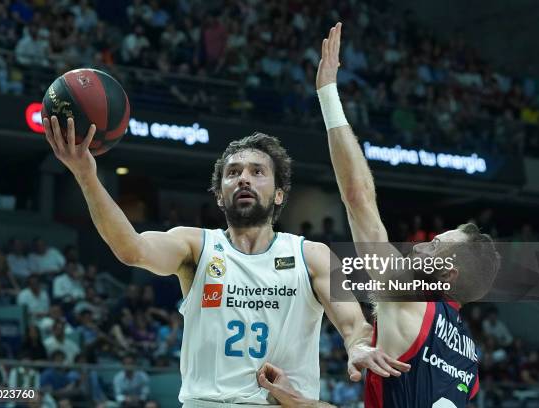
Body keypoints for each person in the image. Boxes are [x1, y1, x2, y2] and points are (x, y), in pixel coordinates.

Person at [42, 109, 407, 405]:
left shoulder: (312, 255)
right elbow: (131, 249)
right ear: (220, 195)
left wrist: (358, 347)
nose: (244, 179)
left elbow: (353, 325)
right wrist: (87, 176)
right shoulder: (195, 246)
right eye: (233, 173)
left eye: (257, 172)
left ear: (279, 194)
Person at [259, 22, 500, 408]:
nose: (424, 243)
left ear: (448, 275)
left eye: (438, 244)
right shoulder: (468, 357)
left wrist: (327, 94)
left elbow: (358, 200)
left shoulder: (408, 298)